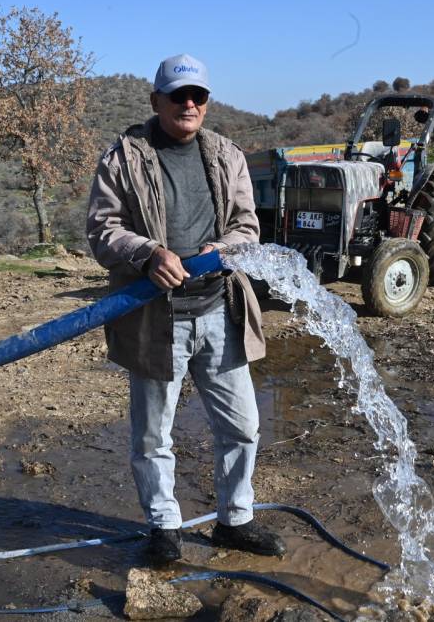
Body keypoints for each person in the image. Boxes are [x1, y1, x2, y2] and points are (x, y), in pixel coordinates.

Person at [86, 54, 285, 566]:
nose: (189, 104)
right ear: (157, 101)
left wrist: (218, 253)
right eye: (178, 96)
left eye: (198, 96)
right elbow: (103, 229)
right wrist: (148, 253)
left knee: (242, 426)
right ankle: (164, 526)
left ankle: (235, 520)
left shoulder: (225, 154)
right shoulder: (124, 157)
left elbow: (247, 225)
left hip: (220, 310)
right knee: (153, 435)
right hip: (156, 319)